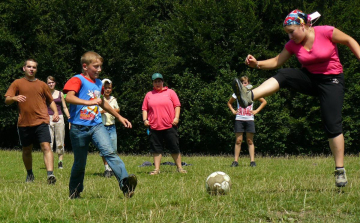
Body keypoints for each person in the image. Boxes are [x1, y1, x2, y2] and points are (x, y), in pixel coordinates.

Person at [236, 9, 360, 187]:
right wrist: (257, 64)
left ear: (303, 25)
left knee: (332, 123)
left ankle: (339, 170)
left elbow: (349, 40)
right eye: (287, 33)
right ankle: (249, 95)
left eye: (291, 32)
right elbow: (277, 61)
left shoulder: (325, 32)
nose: (290, 37)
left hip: (331, 80)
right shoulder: (293, 44)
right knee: (285, 74)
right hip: (310, 79)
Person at [63, 51, 137, 198]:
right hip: (78, 128)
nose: (99, 70)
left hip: (97, 125)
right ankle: (75, 193)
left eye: (100, 67)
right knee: (80, 163)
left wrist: (119, 117)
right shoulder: (77, 80)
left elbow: (102, 102)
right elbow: (68, 97)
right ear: (85, 66)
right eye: (95, 67)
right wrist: (88, 102)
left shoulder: (98, 83)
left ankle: (126, 184)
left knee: (109, 152)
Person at [4, 59, 59, 184]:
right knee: (27, 149)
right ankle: (30, 174)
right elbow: (7, 100)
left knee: (46, 146)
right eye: (29, 67)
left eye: (34, 67)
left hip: (42, 120)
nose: (31, 69)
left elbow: (50, 100)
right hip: (24, 123)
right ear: (24, 68)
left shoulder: (42, 85)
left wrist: (55, 112)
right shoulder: (17, 83)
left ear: (36, 69)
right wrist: (14, 98)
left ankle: (50, 175)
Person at [142, 73, 187, 175]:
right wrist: (145, 120)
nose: (157, 83)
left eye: (159, 81)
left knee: (174, 147)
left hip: (169, 125)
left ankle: (180, 168)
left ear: (163, 82)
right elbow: (144, 109)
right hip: (154, 126)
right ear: (153, 83)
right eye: (155, 81)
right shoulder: (149, 95)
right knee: (156, 149)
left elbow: (177, 105)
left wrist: (176, 118)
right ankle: (156, 169)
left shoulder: (170, 92)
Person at [228, 76, 267, 167]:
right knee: (238, 140)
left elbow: (264, 102)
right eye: (242, 82)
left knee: (250, 141)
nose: (244, 84)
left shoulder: (252, 93)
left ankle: (252, 161)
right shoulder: (236, 94)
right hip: (239, 119)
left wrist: (256, 111)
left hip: (249, 119)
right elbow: (229, 103)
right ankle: (235, 161)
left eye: (245, 82)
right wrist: (233, 111)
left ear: (248, 83)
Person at [47, 76, 71, 169]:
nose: (51, 84)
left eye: (52, 82)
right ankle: (50, 162)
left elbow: (64, 107)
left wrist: (69, 117)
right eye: (49, 82)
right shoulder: (45, 94)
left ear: (55, 83)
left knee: (60, 141)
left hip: (60, 118)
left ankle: (60, 161)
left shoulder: (60, 94)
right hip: (48, 117)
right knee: (49, 142)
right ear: (47, 84)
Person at [99, 78, 120, 178]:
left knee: (113, 148)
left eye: (109, 88)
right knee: (104, 148)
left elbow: (117, 109)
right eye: (105, 88)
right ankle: (107, 168)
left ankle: (113, 168)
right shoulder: (99, 99)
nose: (107, 90)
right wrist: (103, 111)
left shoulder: (113, 99)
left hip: (111, 126)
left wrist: (109, 110)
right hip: (101, 126)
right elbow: (96, 111)